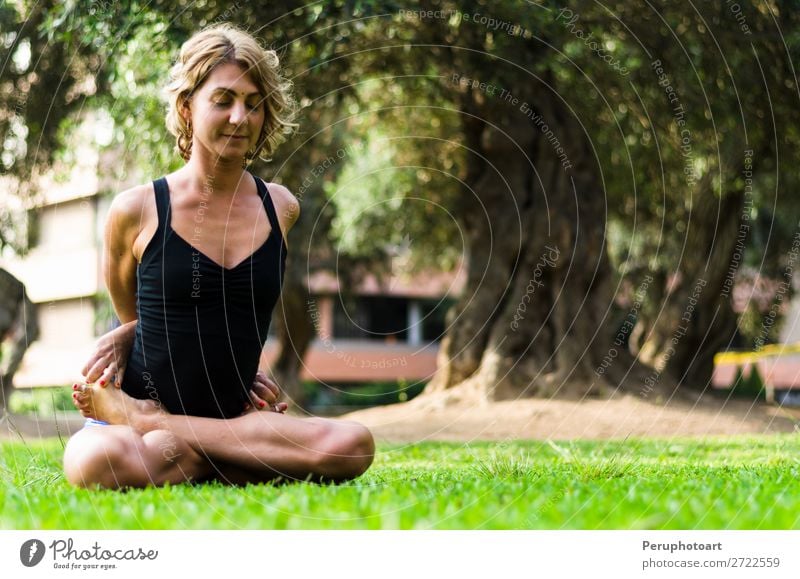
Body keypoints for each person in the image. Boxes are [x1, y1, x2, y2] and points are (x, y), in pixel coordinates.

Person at [63, 24, 375, 489]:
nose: (239, 117)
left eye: (253, 103)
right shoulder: (137, 209)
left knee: (354, 444)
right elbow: (137, 315)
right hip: (141, 430)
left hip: (221, 420)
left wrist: (151, 420)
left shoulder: (280, 207)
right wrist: (127, 338)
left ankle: (186, 443)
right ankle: (232, 458)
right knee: (96, 461)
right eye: (223, 100)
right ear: (187, 108)